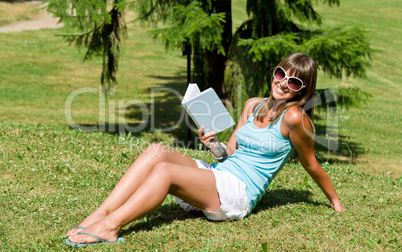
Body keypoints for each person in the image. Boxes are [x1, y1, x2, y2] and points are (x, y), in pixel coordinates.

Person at [65, 53, 344, 247]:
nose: (283, 83)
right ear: (275, 72)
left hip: (238, 193)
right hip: (219, 174)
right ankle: (98, 216)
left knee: (164, 171)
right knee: (155, 151)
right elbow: (231, 153)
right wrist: (215, 146)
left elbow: (311, 164)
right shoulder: (252, 104)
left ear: (301, 91)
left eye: (293, 82)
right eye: (281, 73)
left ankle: (110, 227)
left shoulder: (294, 117)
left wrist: (334, 201)